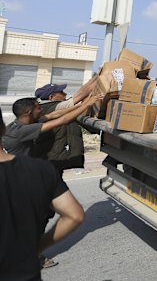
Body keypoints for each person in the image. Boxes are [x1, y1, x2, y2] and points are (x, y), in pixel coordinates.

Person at [0, 108, 85, 279]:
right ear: (3, 129)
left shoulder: (23, 128)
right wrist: (36, 248)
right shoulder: (42, 170)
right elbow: (75, 215)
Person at [3, 95, 101, 158]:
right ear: (29, 112)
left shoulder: (23, 123)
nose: (41, 110)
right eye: (38, 108)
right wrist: (87, 105)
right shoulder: (21, 130)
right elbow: (63, 120)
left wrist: (81, 105)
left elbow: (54, 115)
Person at [34, 77, 98, 172]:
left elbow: (81, 91)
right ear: (51, 97)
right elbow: (82, 93)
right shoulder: (57, 106)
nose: (65, 94)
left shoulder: (44, 108)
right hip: (55, 158)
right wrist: (105, 77)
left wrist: (97, 76)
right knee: (53, 181)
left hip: (50, 156)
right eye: (62, 93)